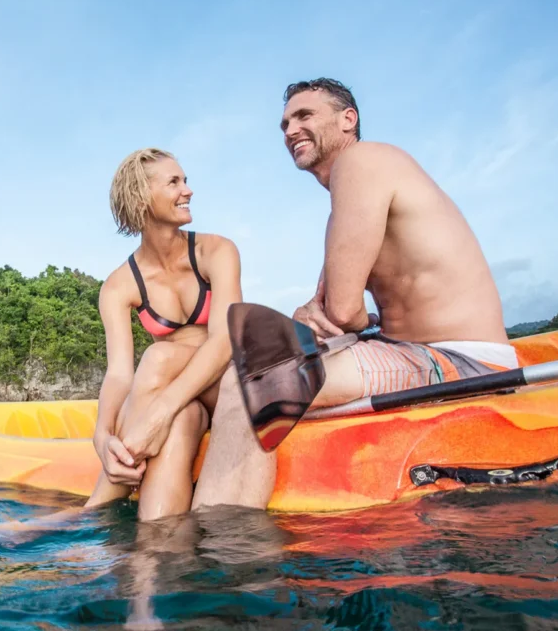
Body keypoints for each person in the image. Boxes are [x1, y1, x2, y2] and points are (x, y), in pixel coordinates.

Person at [190, 78, 517, 511]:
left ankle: (228, 551)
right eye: (285, 122)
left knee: (253, 380)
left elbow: (340, 313)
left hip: (462, 361)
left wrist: (322, 316)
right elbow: (331, 313)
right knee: (241, 371)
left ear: (349, 119)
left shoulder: (361, 163)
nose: (289, 130)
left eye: (304, 116)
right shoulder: (347, 199)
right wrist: (319, 315)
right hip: (406, 349)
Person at [88, 147, 243, 522]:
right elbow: (119, 374)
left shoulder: (215, 251)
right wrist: (101, 435)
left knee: (157, 357)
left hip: (225, 385)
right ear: (141, 198)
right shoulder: (117, 286)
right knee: (179, 426)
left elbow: (224, 343)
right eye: (174, 182)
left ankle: (92, 509)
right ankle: (154, 568)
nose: (187, 190)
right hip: (184, 402)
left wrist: (157, 413)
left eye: (185, 180)